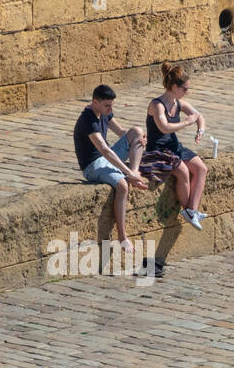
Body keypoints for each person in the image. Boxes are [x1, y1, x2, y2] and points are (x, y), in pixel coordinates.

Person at [73, 84, 148, 252]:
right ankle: (122, 236)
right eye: (107, 105)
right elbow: (105, 151)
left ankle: (134, 172)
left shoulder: (104, 112)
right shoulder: (88, 120)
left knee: (136, 130)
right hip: (93, 165)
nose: (110, 108)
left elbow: (122, 132)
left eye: (112, 104)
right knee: (122, 185)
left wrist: (140, 140)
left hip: (106, 158)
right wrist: (126, 172)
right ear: (95, 102)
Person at [142, 62, 209, 230]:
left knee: (201, 168)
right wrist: (187, 122)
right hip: (157, 150)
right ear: (174, 87)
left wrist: (200, 129)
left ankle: (192, 210)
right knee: (183, 172)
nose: (187, 92)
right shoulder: (157, 105)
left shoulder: (179, 103)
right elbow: (164, 127)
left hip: (174, 146)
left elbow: (198, 116)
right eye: (185, 89)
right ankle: (188, 211)